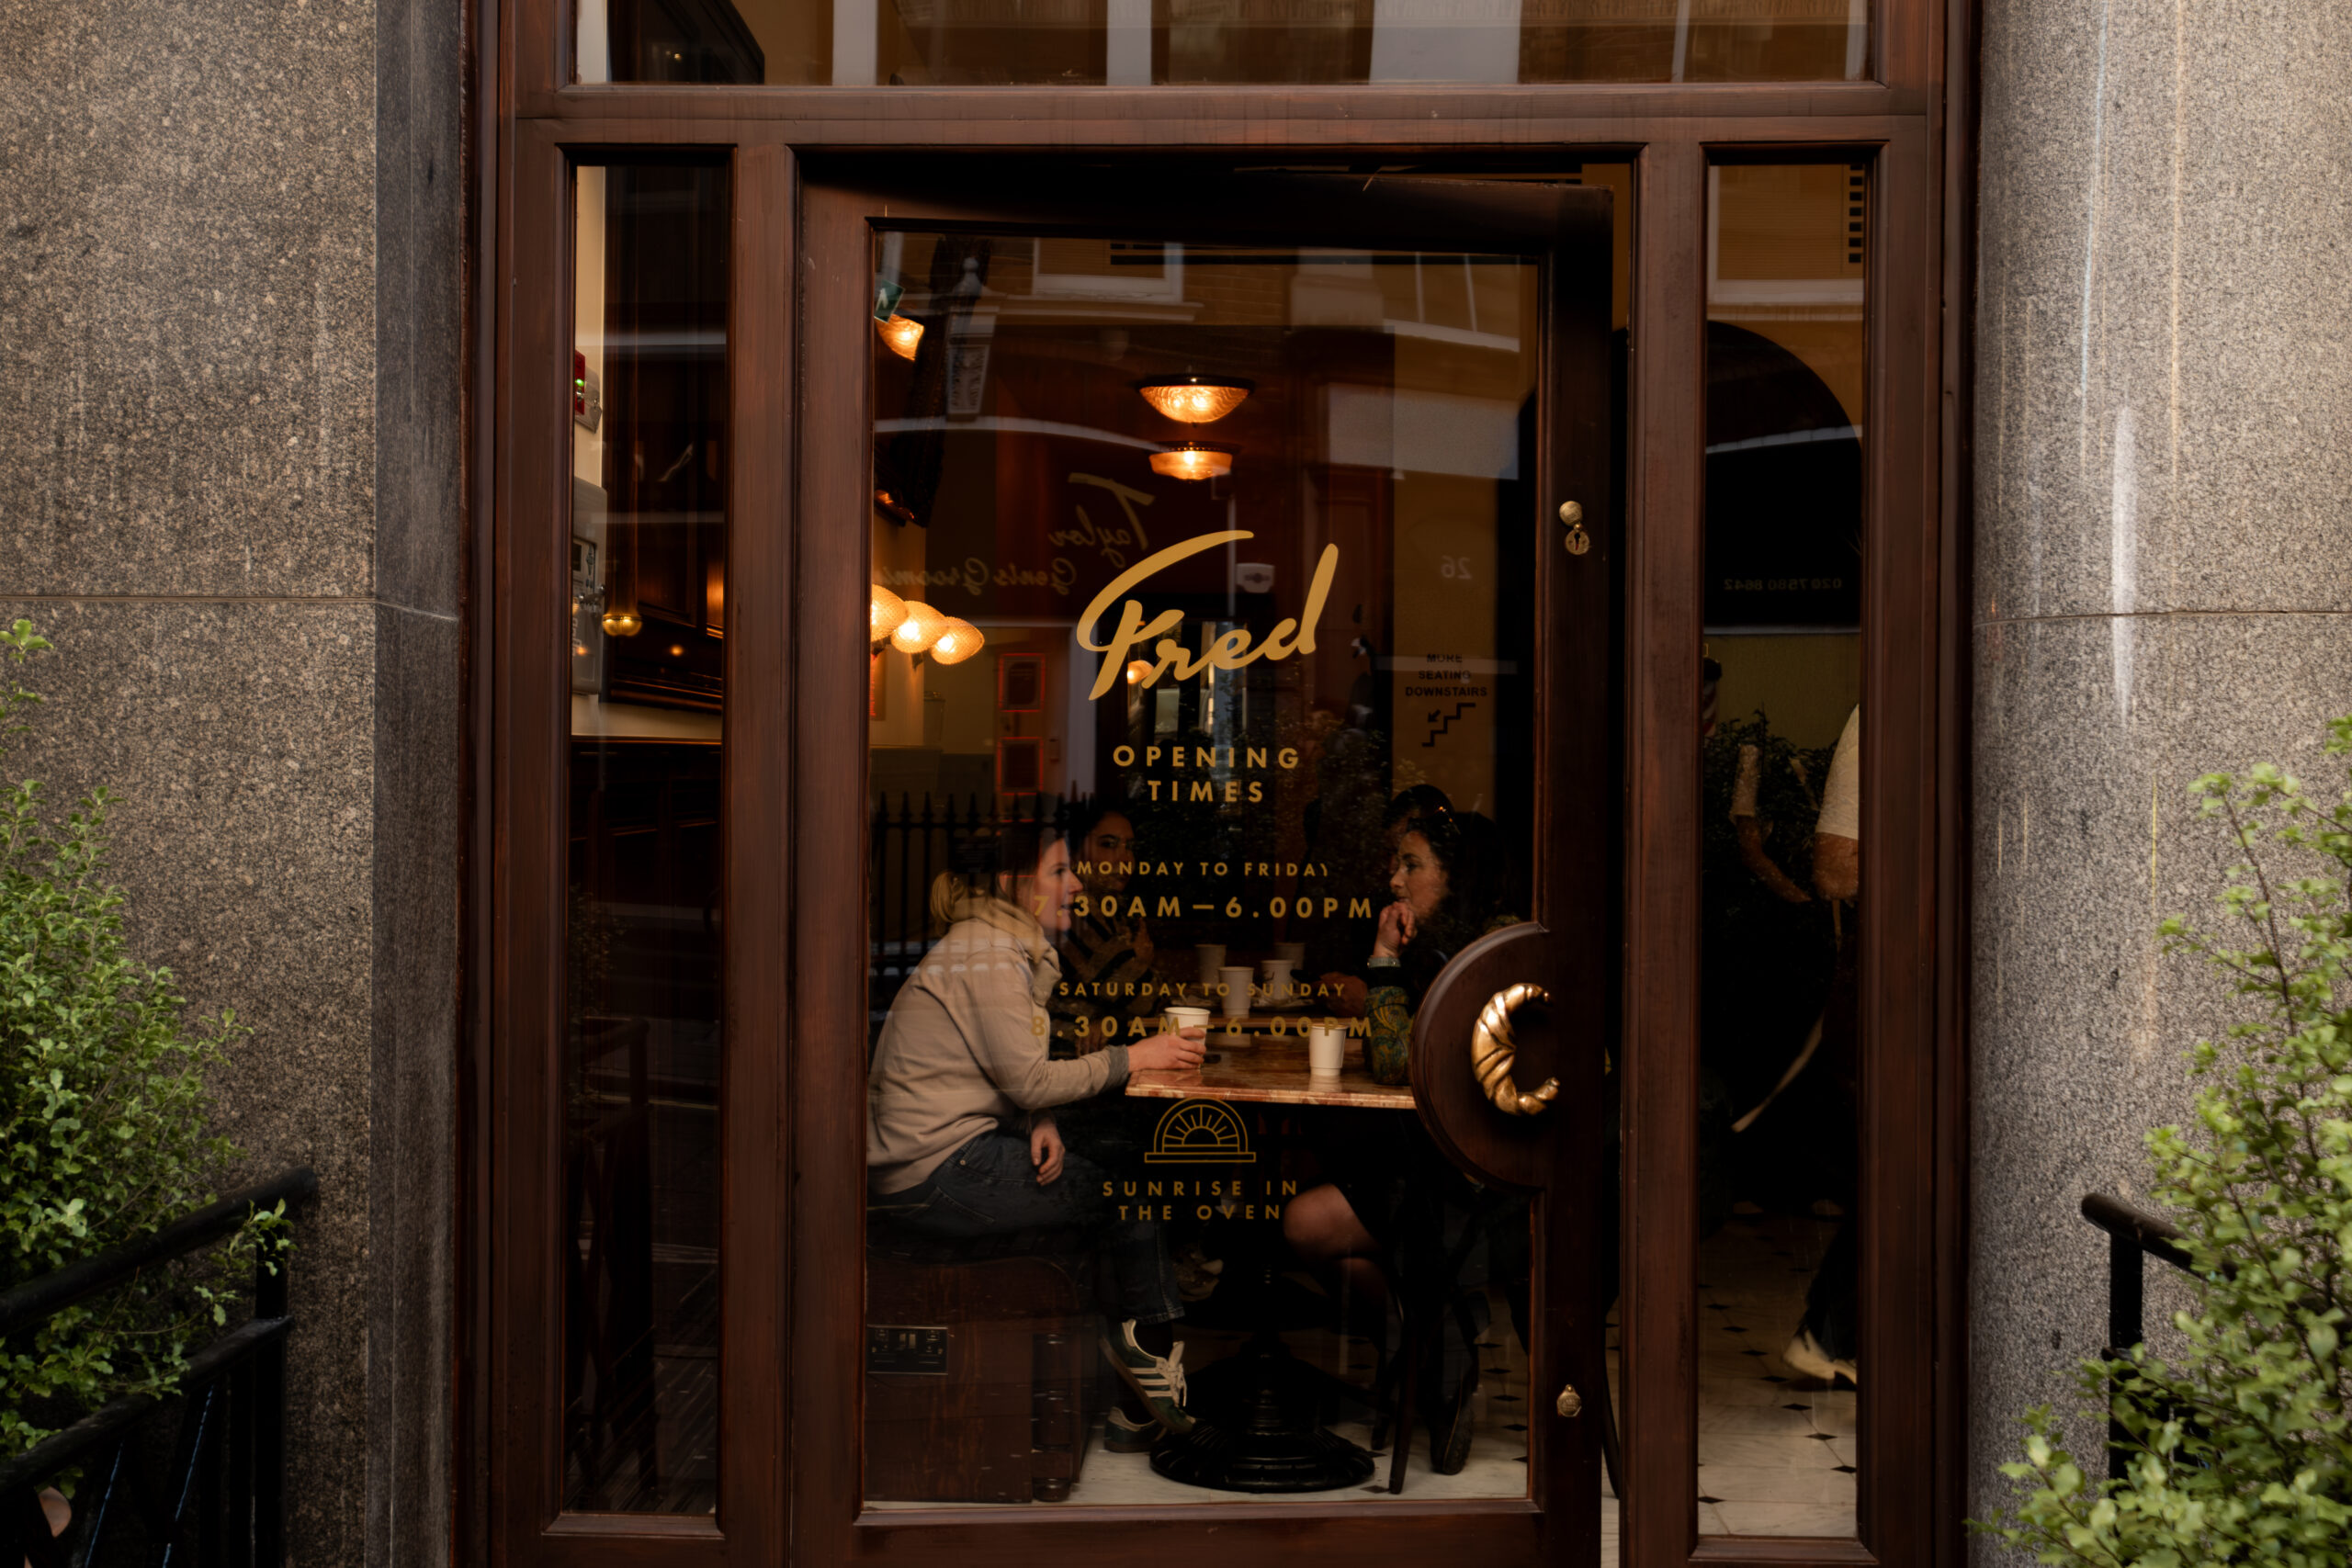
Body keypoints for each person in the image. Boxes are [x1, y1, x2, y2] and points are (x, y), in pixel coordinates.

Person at [865, 818, 1208, 1438]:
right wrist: (1137, 1056)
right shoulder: (992, 954)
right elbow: (1025, 1078)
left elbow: (1004, 1076)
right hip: (934, 1170)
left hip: (950, 1152)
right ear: (1014, 883)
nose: (1077, 882)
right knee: (1126, 1188)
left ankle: (1136, 1375)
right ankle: (1148, 1354)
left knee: (1128, 1156)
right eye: (1059, 870)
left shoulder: (997, 944)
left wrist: (1037, 1119)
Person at [1283, 807, 1521, 1473]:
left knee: (1311, 1216)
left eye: (1411, 863)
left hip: (1484, 1190)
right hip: (1444, 1165)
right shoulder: (1451, 944)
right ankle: (1430, 1344)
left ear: (1455, 874)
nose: (1394, 877)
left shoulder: (1491, 952)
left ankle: (1436, 1350)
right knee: (1307, 1217)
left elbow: (1395, 1062)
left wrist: (1384, 958)